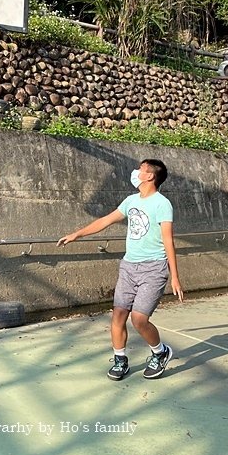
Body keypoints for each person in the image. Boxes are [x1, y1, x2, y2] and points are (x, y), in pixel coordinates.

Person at [57, 159, 183, 380]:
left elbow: (168, 240)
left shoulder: (162, 204)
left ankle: (160, 352)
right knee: (118, 315)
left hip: (153, 268)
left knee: (139, 319)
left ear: (150, 176)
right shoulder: (131, 200)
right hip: (128, 267)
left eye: (140, 169)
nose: (136, 172)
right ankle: (120, 360)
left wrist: (175, 277)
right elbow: (106, 220)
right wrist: (77, 234)